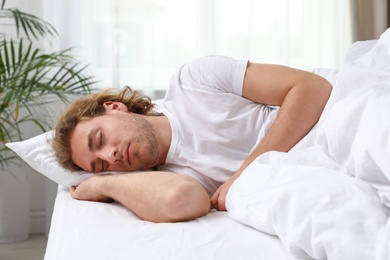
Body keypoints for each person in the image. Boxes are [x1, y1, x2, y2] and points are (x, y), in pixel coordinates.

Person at [52, 55, 332, 223]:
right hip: (322, 171)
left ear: (114, 107)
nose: (109, 156)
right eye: (100, 165)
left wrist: (247, 171)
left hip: (334, 116)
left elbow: (311, 86)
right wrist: (104, 184)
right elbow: (182, 200)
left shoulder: (194, 80)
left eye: (99, 139)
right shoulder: (171, 178)